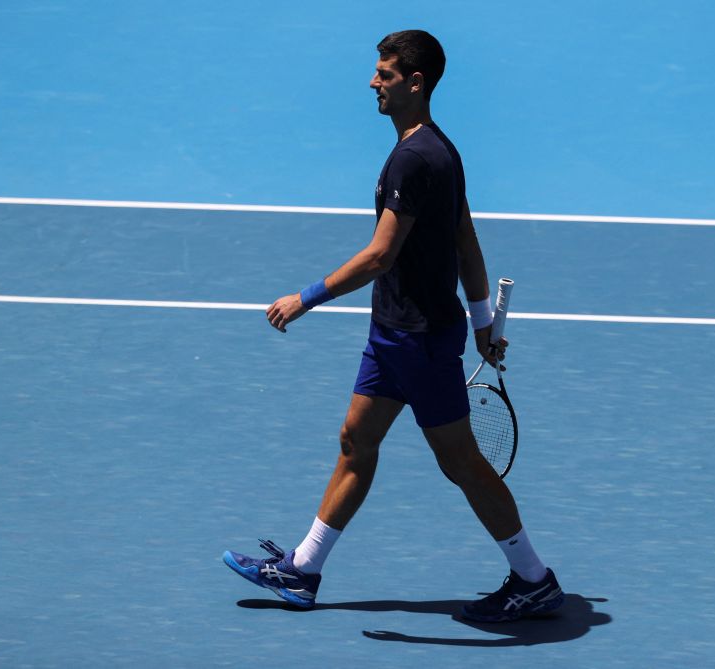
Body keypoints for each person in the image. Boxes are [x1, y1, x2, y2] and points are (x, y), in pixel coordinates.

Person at [223, 29, 563, 623]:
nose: (373, 82)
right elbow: (464, 238)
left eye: (385, 74)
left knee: (461, 463)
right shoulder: (440, 150)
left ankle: (533, 579)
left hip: (418, 339)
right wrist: (483, 321)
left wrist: (305, 298)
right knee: (356, 441)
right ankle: (303, 570)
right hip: (394, 334)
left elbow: (381, 254)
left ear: (415, 82)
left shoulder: (414, 158)